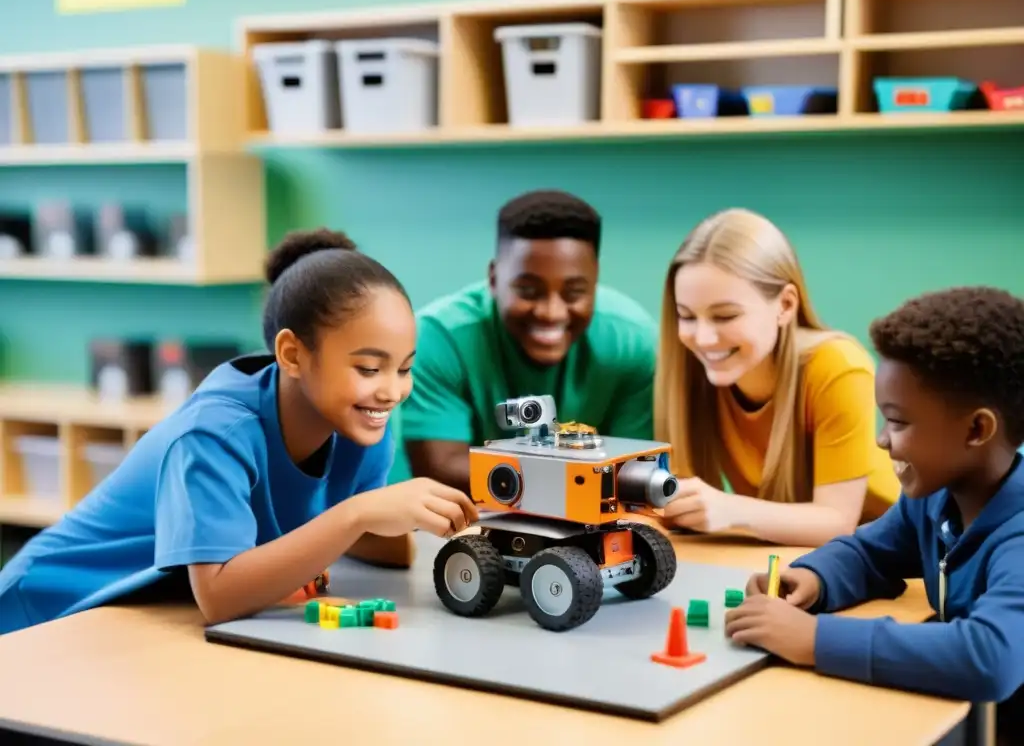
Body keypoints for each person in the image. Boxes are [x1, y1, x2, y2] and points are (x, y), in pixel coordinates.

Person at [0, 229, 477, 635]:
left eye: (404, 369)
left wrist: (392, 518)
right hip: (45, 615)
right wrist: (356, 514)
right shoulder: (215, 433)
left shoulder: (361, 423)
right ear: (291, 355)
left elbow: (381, 548)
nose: (391, 391)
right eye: (370, 368)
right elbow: (220, 597)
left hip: (139, 620)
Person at [724, 286, 1024, 745]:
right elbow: (871, 553)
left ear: (977, 429)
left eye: (899, 422)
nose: (883, 440)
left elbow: (990, 657)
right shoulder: (934, 498)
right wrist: (814, 579)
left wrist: (814, 639)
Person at [654, 208, 899, 546]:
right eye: (686, 316)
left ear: (785, 305)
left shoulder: (839, 366)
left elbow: (837, 522)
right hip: (784, 555)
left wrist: (730, 510)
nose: (704, 338)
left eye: (725, 316)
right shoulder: (691, 372)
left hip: (893, 555)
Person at [401, 189, 657, 493]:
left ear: (595, 280)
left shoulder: (634, 342)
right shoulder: (438, 337)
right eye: (528, 291)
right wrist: (567, 482)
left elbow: (633, 468)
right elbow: (439, 469)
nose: (551, 312)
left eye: (574, 292)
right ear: (494, 279)